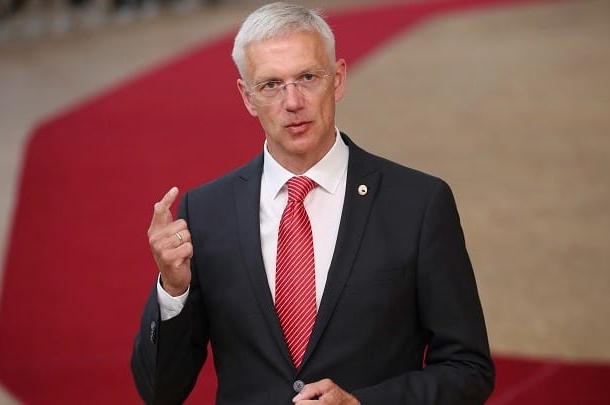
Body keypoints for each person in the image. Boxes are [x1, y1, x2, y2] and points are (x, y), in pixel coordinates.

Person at [131, 2, 494, 404]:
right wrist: (173, 289)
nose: (292, 101)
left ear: (337, 80)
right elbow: (160, 392)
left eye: (307, 77)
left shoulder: (418, 204)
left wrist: (361, 404)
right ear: (247, 97)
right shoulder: (206, 213)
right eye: (271, 85)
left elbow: (468, 370)